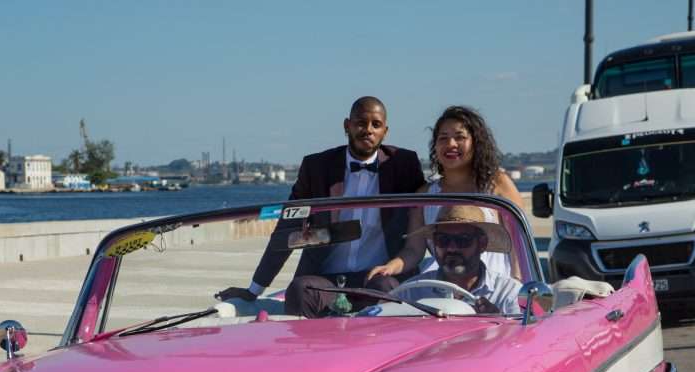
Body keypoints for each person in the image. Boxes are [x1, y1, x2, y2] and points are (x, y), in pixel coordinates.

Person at [215, 96, 425, 317]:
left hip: (378, 277)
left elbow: (429, 209)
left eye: (376, 124)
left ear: (386, 131)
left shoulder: (403, 164)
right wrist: (254, 289)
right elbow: (287, 229)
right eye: (361, 123)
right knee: (298, 290)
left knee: (385, 290)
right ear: (347, 125)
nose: (368, 130)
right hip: (327, 279)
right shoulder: (316, 168)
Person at [368, 105, 523, 282]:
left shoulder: (497, 184)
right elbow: (414, 250)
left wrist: (517, 285)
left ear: (475, 142)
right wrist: (389, 267)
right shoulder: (425, 195)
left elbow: (519, 246)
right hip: (443, 290)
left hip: (495, 289)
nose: (451, 144)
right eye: (443, 138)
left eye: (460, 137)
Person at [397, 204, 522, 315]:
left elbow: (522, 337)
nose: (451, 248)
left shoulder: (508, 293)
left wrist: (500, 322)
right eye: (443, 240)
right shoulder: (411, 292)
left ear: (482, 244)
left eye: (463, 240)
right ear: (434, 243)